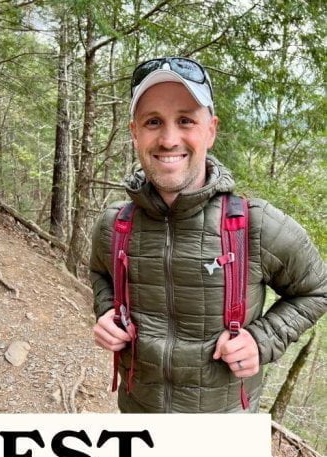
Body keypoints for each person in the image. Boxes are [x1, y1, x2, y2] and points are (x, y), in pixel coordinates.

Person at [90, 56, 327, 413]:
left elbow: (317, 289)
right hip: (136, 414)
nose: (169, 139)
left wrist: (261, 340)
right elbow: (100, 274)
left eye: (185, 120)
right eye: (154, 122)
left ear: (210, 130)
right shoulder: (114, 224)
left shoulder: (256, 225)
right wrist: (107, 311)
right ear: (135, 132)